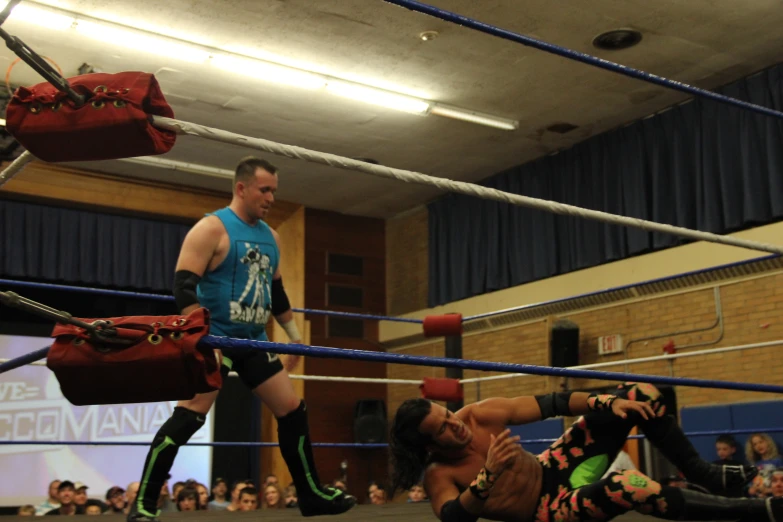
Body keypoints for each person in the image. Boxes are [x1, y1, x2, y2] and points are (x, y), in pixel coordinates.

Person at [127, 156, 356, 522]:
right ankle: (143, 503)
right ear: (241, 188)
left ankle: (311, 495)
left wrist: (294, 338)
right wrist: (201, 339)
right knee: (189, 416)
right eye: (264, 190)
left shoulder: (273, 237)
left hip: (253, 341)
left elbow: (276, 293)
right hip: (215, 339)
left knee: (293, 412)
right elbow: (183, 287)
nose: (270, 198)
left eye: (274, 191)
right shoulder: (211, 229)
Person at [389, 382, 778, 522]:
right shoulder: (440, 474)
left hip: (556, 466)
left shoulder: (475, 416)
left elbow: (552, 402)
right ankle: (751, 512)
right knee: (629, 485)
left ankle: (703, 472)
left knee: (639, 395)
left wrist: (607, 403)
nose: (454, 423)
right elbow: (454, 517)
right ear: (428, 444)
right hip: (547, 509)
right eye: (442, 427)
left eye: (447, 414)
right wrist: (487, 476)